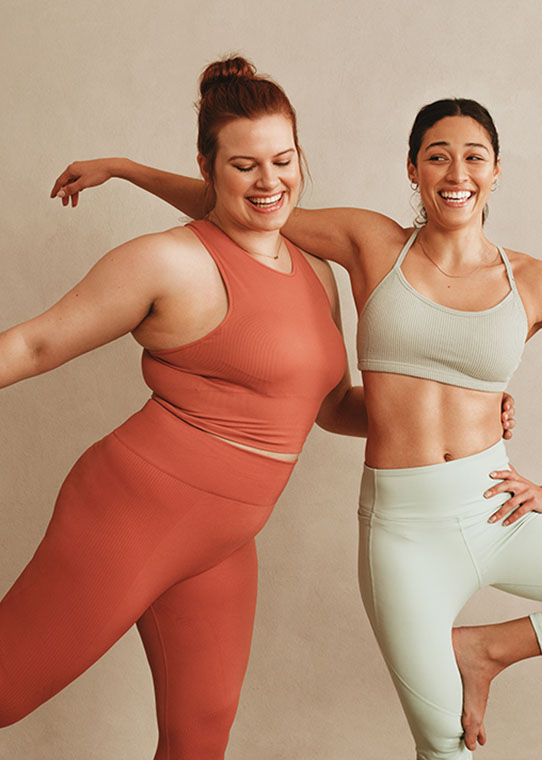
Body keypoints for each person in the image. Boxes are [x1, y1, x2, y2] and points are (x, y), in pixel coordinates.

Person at [64, 96, 542, 760]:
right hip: (404, 532)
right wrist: (122, 168)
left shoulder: (537, 283)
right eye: (437, 156)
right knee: (445, 747)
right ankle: (471, 660)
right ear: (412, 170)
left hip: (495, 509)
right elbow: (244, 205)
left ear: (496, 171)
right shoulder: (372, 244)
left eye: (473, 157)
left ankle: (487, 648)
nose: (456, 171)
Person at [0, 57, 375, 760]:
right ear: (207, 167)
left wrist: (456, 413)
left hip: (223, 539)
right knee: (5, 692)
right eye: (244, 166)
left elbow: (331, 407)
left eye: (283, 160)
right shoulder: (169, 262)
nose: (269, 182)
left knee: (199, 737)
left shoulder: (314, 270)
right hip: (135, 509)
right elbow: (35, 344)